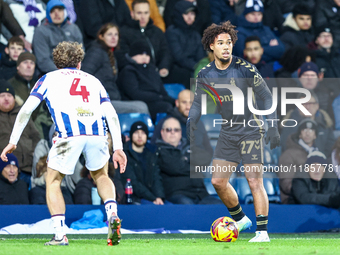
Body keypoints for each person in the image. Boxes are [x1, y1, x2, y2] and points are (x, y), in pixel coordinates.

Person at [0, 41, 127, 246]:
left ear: (57, 63)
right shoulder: (94, 80)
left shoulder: (48, 78)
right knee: (101, 175)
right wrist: (118, 147)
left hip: (69, 134)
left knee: (53, 180)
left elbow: (25, 110)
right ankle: (112, 213)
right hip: (97, 134)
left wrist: (13, 141)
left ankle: (60, 235)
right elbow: (111, 114)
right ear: (79, 63)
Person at [187, 21, 280, 242]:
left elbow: (267, 96)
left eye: (229, 42)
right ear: (211, 46)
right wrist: (192, 118)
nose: (226, 47)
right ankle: (240, 219)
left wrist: (273, 125)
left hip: (251, 129)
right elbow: (198, 103)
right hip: (228, 130)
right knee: (218, 181)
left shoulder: (245, 68)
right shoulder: (205, 74)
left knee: (254, 180)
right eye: (221, 43)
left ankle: (262, 232)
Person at [81, 23, 149, 115]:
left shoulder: (110, 54)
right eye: (109, 34)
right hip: (101, 102)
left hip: (111, 99)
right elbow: (84, 75)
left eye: (116, 34)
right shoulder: (96, 52)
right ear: (101, 36)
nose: (113, 37)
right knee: (141, 107)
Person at [157, 117, 221, 204]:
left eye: (176, 130)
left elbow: (205, 159)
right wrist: (193, 164)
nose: (172, 132)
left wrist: (184, 160)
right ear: (162, 132)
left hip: (201, 194)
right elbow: (174, 168)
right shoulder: (158, 150)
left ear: (180, 133)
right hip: (178, 193)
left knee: (221, 206)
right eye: (168, 130)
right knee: (189, 208)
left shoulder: (189, 145)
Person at [117, 39, 175, 121]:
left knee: (178, 107)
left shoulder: (152, 70)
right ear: (132, 55)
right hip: (139, 103)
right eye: (140, 54)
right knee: (166, 107)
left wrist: (176, 101)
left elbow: (162, 91)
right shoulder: (128, 71)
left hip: (155, 100)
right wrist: (158, 97)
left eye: (147, 55)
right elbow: (134, 93)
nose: (144, 57)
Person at [116, 0, 171, 77]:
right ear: (132, 14)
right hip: (137, 73)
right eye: (139, 13)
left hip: (158, 71)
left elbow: (165, 51)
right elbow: (122, 56)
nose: (143, 17)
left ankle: (194, 88)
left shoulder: (157, 31)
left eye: (146, 13)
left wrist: (164, 67)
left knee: (188, 74)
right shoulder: (124, 32)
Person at [0, 80, 40, 185]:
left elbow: (35, 136)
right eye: (2, 95)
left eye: (9, 95)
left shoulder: (23, 114)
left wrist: (32, 153)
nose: (6, 98)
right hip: (4, 172)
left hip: (28, 170)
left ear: (14, 98)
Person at [8, 51, 53, 139]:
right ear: (18, 66)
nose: (29, 66)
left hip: (37, 133)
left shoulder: (40, 86)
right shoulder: (8, 86)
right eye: (25, 62)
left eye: (32, 63)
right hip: (15, 131)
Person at [32, 0, 83, 75]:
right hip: (50, 74)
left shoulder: (73, 28)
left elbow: (81, 53)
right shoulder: (41, 31)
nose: (56, 14)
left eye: (59, 10)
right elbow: (43, 60)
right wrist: (63, 74)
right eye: (53, 11)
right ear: (48, 13)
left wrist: (73, 72)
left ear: (64, 12)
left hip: (74, 73)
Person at [164, 0, 206, 88]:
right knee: (190, 75)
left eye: (192, 14)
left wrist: (202, 67)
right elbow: (178, 57)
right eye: (186, 14)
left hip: (192, 67)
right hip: (175, 68)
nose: (190, 17)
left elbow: (201, 56)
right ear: (179, 14)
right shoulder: (172, 32)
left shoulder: (195, 34)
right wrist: (196, 67)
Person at [121, 121, 165, 204]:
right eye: (136, 132)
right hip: (134, 198)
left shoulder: (152, 153)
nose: (140, 136)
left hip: (152, 197)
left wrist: (159, 196)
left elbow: (156, 178)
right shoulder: (125, 154)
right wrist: (153, 198)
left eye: (143, 133)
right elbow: (132, 182)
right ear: (131, 135)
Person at [280, 92, 335, 157]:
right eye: (303, 104)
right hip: (297, 163)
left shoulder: (325, 123)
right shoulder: (289, 124)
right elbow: (285, 147)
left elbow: (331, 147)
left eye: (311, 103)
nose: (307, 107)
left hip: (321, 162)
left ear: (317, 106)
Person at [278, 119, 319, 204]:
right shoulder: (288, 154)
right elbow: (286, 184)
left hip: (315, 199)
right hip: (294, 201)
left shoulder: (319, 155)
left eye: (311, 130)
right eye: (304, 130)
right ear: (299, 134)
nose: (307, 133)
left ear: (315, 135)